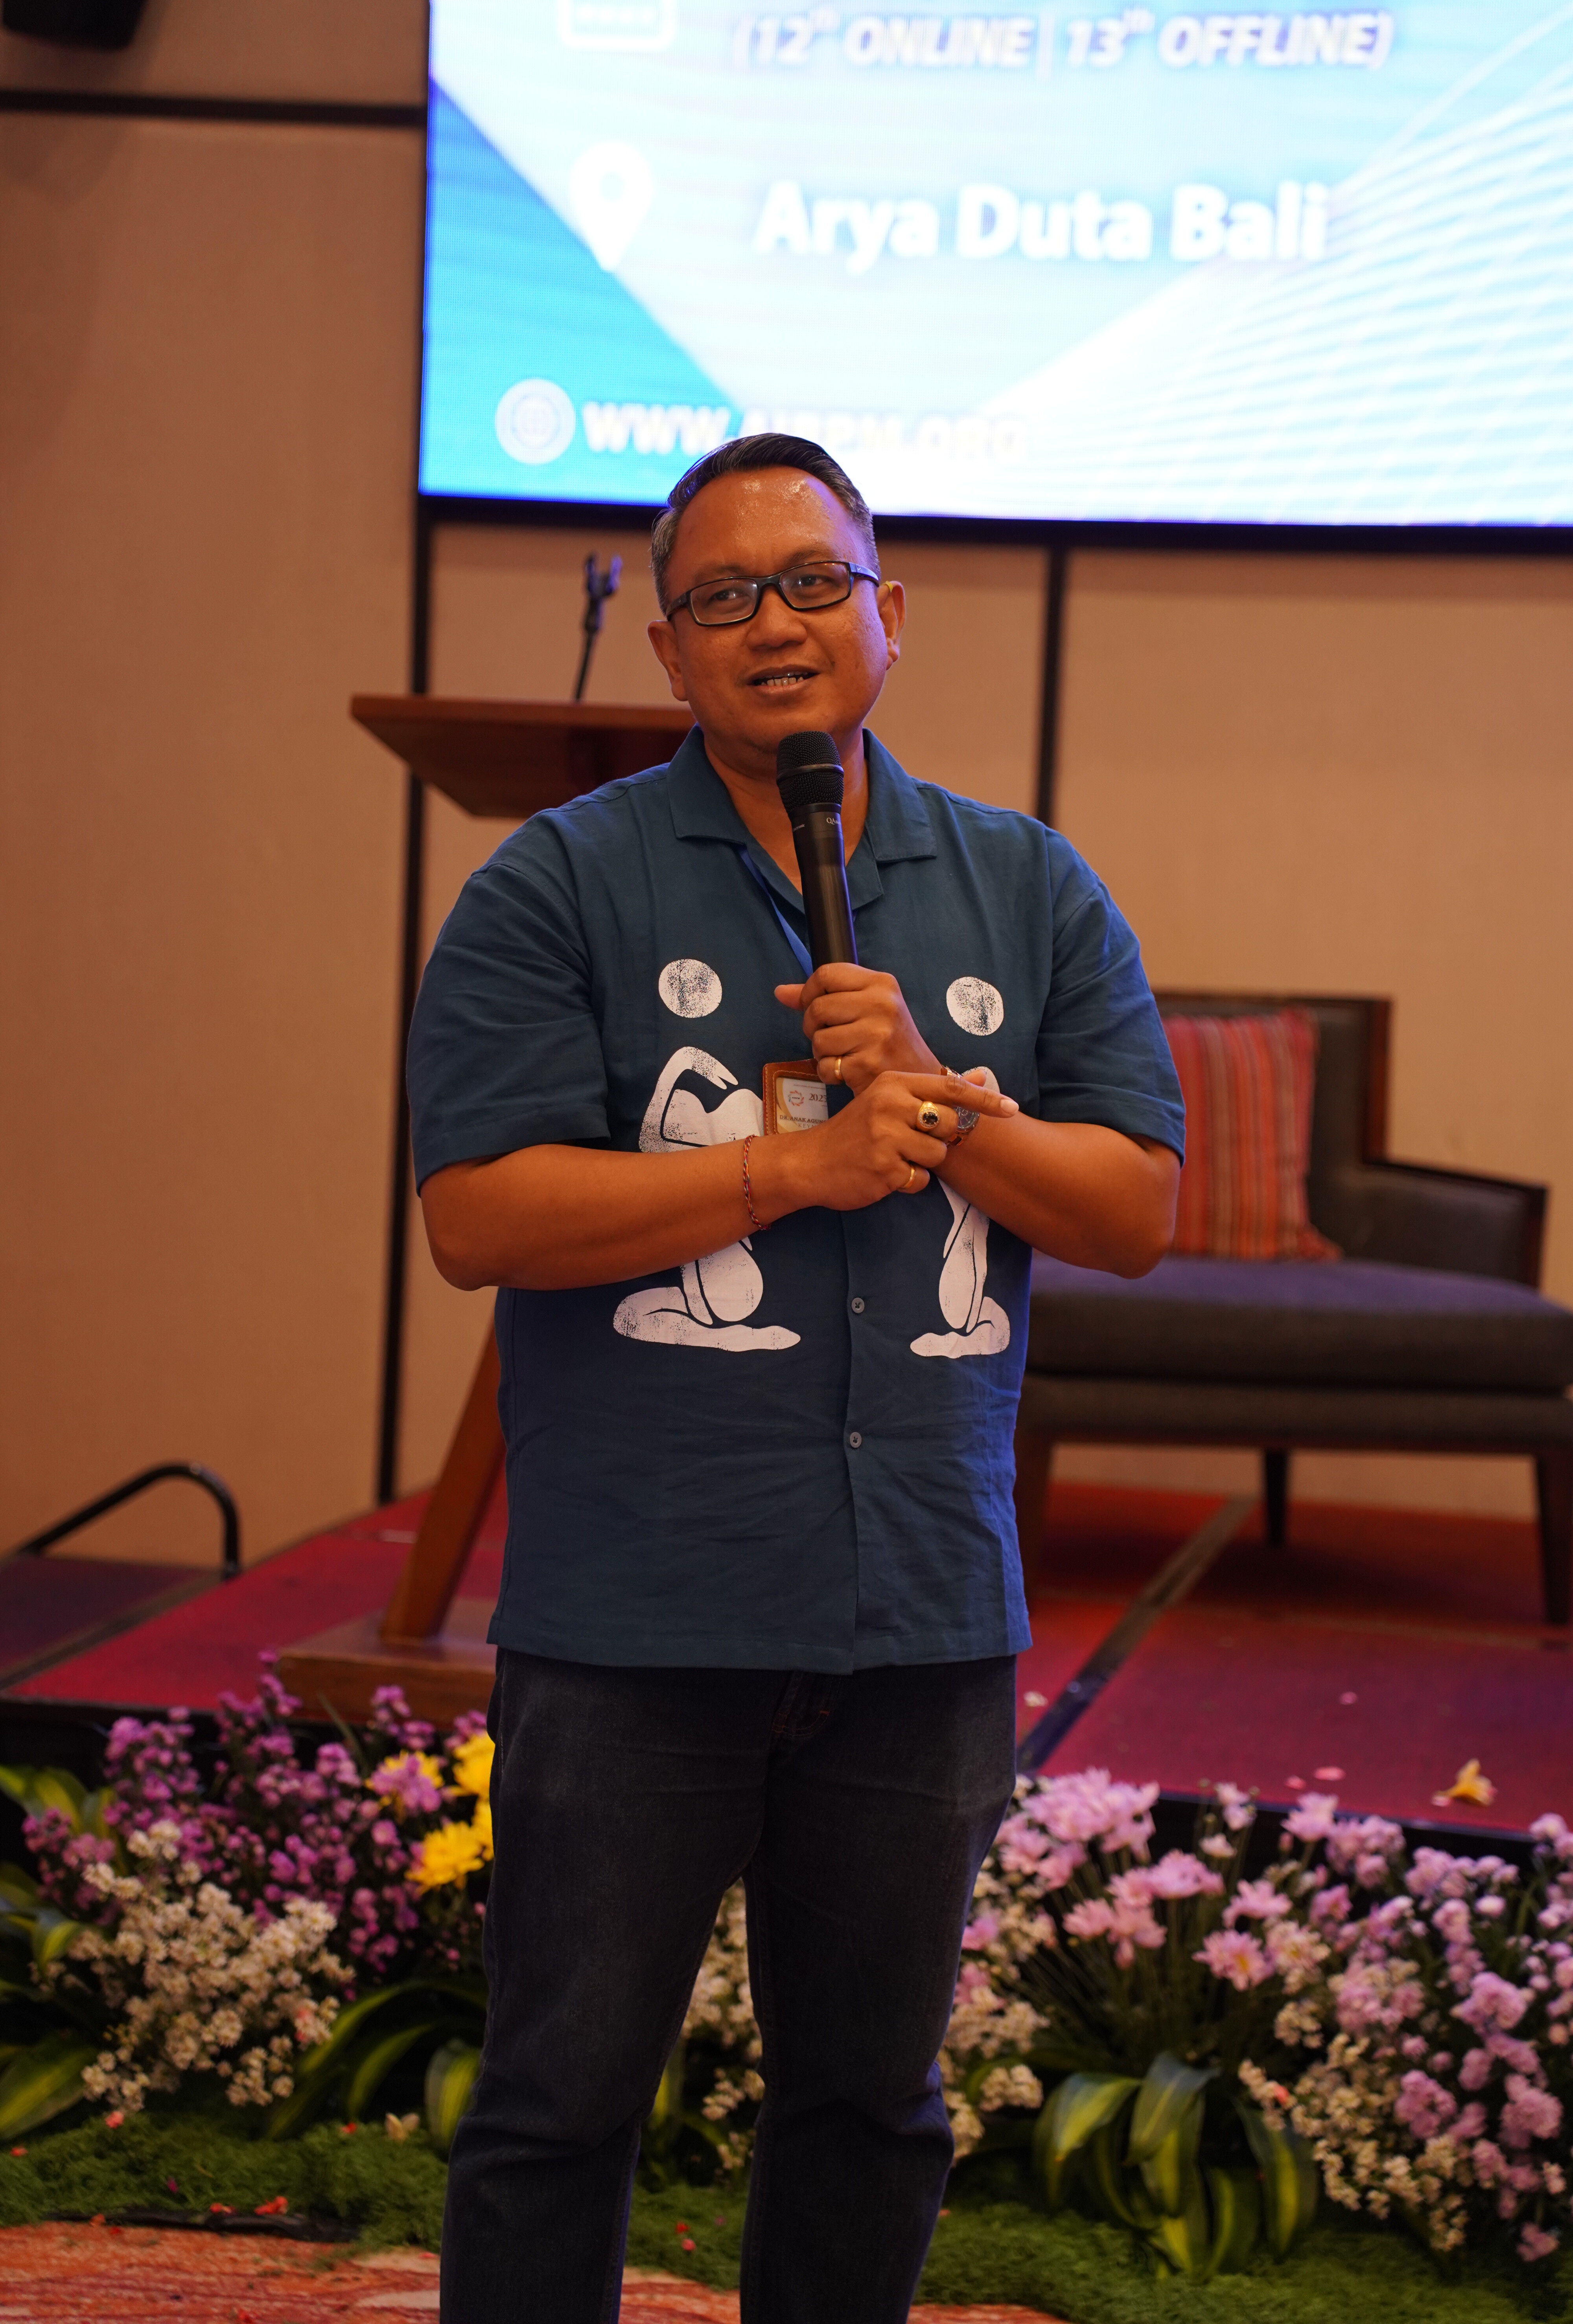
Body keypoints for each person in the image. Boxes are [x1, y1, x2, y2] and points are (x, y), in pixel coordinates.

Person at [409, 434, 1185, 2323]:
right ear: (668, 650)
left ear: (888, 615)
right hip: (639, 1610)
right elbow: (477, 1216)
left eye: (815, 584)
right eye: (724, 597)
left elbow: (1136, 1209)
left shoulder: (1026, 885)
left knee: (869, 2108)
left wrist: (932, 1103)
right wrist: (786, 1170)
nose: (777, 625)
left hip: (919, 1611)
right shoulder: (557, 884)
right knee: (559, 2102)